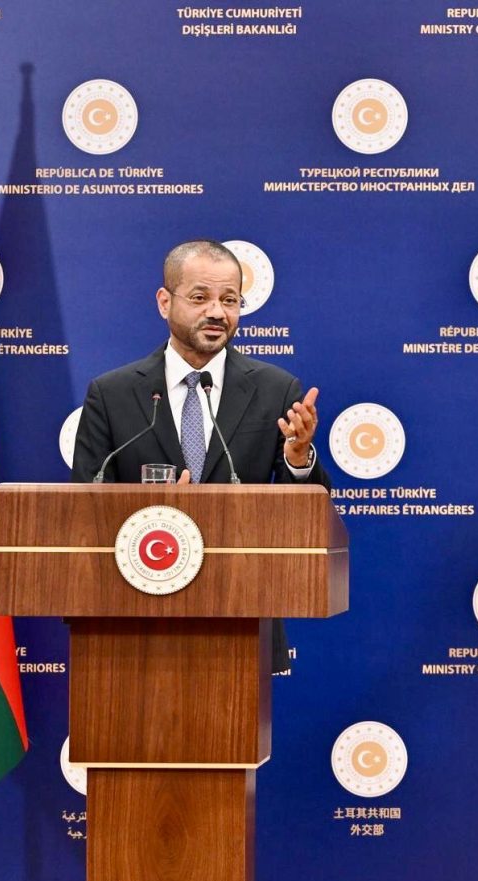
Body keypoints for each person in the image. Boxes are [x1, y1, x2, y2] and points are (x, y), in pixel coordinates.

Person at [71, 238, 331, 671]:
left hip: (240, 614)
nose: (217, 312)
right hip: (133, 620)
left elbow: (308, 521)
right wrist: (150, 513)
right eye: (200, 297)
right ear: (164, 302)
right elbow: (82, 508)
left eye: (230, 300)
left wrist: (298, 459)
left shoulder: (275, 389)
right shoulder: (113, 393)